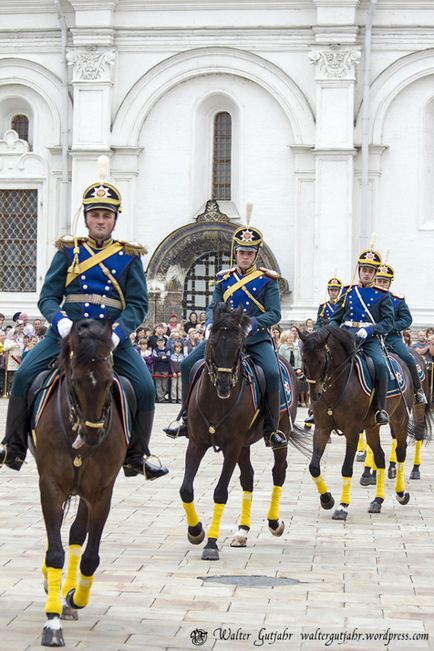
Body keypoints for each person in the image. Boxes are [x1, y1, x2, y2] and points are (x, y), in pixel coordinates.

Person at [0, 169, 168, 480]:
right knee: (23, 374)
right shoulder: (68, 251)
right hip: (68, 334)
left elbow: (138, 304)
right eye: (95, 215)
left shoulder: (128, 257)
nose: (100, 221)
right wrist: (60, 321)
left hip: (110, 336)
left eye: (106, 215)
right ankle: (14, 446)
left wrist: (119, 334)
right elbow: (48, 297)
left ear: (115, 219)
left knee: (144, 388)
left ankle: (137, 456)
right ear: (86, 218)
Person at [164, 223, 287, 449]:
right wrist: (210, 324)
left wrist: (252, 323)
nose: (245, 257)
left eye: (250, 253)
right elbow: (213, 306)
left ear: (256, 255)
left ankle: (271, 429)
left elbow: (275, 313)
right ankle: (185, 418)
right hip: (225, 340)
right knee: (188, 364)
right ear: (236, 253)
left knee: (271, 372)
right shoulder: (224, 279)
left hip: (254, 338)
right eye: (242, 252)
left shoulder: (267, 280)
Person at [328, 247, 394, 425]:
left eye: (370, 271)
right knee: (325, 360)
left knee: (380, 364)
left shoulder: (382, 295)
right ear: (359, 271)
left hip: (368, 338)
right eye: (364, 270)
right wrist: (336, 331)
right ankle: (318, 404)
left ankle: (380, 408)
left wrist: (370, 330)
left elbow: (388, 322)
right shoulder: (348, 292)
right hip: (346, 335)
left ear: (375, 273)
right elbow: (334, 318)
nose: (366, 274)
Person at [375, 262, 426, 404]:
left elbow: (406, 320)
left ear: (390, 283)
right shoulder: (369, 299)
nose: (382, 284)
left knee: (407, 357)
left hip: (391, 337)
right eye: (379, 281)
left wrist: (391, 326)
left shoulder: (397, 300)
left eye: (385, 281)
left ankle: (418, 390)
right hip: (373, 337)